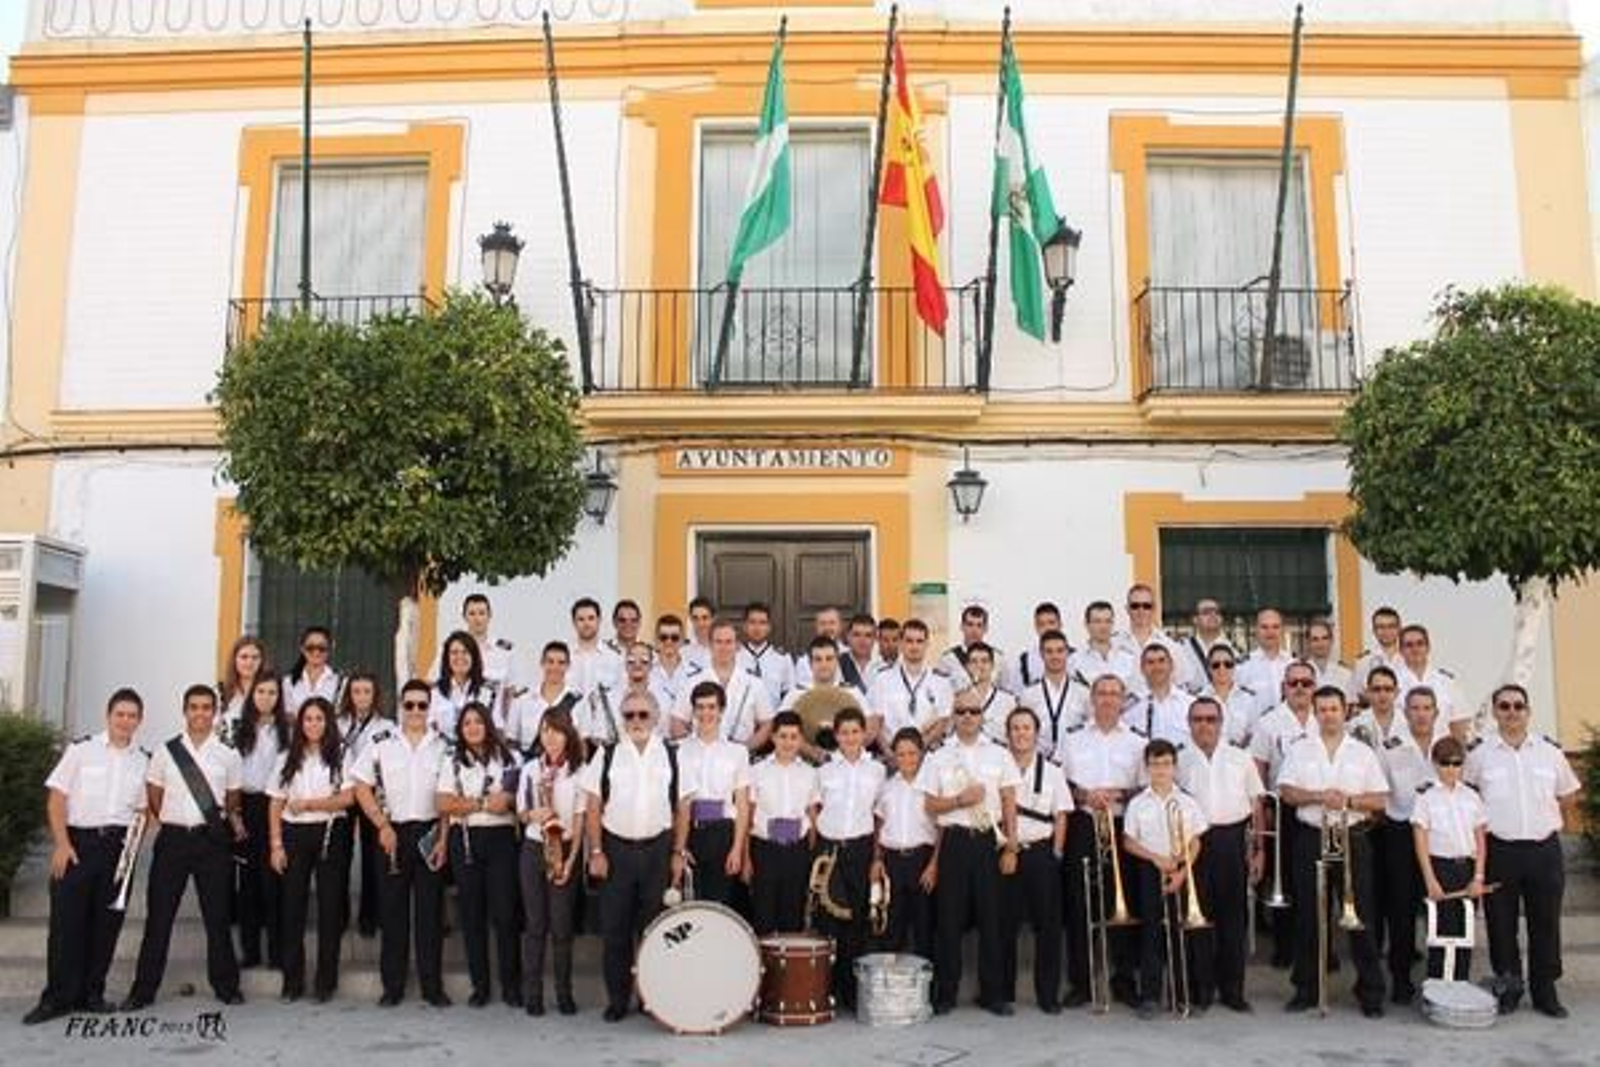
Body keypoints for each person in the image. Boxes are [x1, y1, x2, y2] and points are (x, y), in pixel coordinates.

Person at [24, 689, 151, 1025]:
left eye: (132, 715)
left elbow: (142, 811)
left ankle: (92, 994)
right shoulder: (81, 751)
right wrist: (62, 845)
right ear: (108, 716)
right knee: (66, 925)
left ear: (140, 720)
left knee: (106, 925)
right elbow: (56, 799)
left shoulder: (143, 759)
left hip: (119, 849)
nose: (125, 721)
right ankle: (56, 998)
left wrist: (132, 853)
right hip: (78, 845)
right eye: (120, 714)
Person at [123, 684, 245, 1010]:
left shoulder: (228, 754)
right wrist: (175, 820)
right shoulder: (166, 751)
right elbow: (155, 794)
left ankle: (226, 986)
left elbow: (232, 800)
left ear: (215, 712)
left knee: (217, 918)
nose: (200, 713)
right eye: (194, 707)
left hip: (212, 842)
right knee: (159, 919)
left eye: (207, 707)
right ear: (185, 711)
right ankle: (143, 990)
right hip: (174, 841)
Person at [1466, 684, 1581, 1017]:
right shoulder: (1480, 755)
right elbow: (1469, 797)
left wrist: (1546, 814)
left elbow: (1569, 792)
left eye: (1518, 706)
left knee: (1545, 923)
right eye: (1504, 706)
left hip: (1543, 850)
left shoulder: (1550, 752)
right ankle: (1509, 988)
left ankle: (1545, 991)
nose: (1512, 712)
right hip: (1500, 850)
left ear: (1528, 711)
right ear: (1495, 712)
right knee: (1501, 924)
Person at [1278, 685, 1389, 1016]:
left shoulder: (1363, 753)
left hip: (1352, 836)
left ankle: (1370, 992)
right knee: (1309, 917)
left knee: (1360, 916)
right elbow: (1286, 791)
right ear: (1315, 713)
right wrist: (1318, 796)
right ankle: (1307, 989)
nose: (1328, 715)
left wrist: (1350, 801)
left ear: (1346, 712)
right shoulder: (1300, 750)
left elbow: (1380, 799)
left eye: (1334, 709)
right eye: (1322, 709)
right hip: (1312, 836)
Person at [581, 690, 688, 1023]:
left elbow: (683, 807)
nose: (636, 721)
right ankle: (618, 999)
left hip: (658, 850)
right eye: (629, 715)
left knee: (654, 931)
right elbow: (593, 806)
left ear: (656, 717)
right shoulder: (607, 754)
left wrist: (678, 852)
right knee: (614, 930)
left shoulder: (672, 754)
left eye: (643, 715)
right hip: (616, 851)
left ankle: (650, 996)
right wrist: (596, 851)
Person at [917, 690, 1021, 1016]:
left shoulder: (1000, 755)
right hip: (955, 843)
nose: (967, 717)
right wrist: (959, 801)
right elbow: (930, 805)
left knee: (993, 920)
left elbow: (1008, 803)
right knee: (948, 921)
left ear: (982, 715)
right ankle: (945, 993)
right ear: (953, 714)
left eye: (973, 711)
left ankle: (993, 994)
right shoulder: (938, 757)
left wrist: (1012, 847)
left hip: (989, 841)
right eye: (961, 711)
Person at [350, 678, 451, 1008]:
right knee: (392, 913)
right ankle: (391, 986)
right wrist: (380, 823)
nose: (416, 711)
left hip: (428, 834)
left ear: (430, 707)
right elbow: (360, 785)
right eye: (410, 704)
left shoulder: (443, 746)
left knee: (429, 915)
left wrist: (443, 838)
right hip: (391, 833)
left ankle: (431, 987)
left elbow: (448, 797)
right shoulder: (382, 741)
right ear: (401, 707)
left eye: (422, 705)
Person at [1060, 674, 1146, 1007]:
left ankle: (1124, 979)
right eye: (1102, 693)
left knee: (1122, 903)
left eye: (1114, 694)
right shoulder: (1072, 740)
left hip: (1122, 824)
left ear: (1123, 700)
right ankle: (1081, 982)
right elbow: (1060, 782)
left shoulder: (1137, 742)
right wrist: (1082, 794)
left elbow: (1145, 786)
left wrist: (1120, 793)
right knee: (1080, 902)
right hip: (1084, 824)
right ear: (1092, 699)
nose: (1108, 699)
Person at [1177, 696, 1265, 1013]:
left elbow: (1256, 806)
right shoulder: (1180, 760)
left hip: (1232, 840)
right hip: (1195, 842)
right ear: (1189, 724)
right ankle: (1201, 989)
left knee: (1233, 919)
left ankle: (1233, 991)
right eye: (1198, 719)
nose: (1204, 725)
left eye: (1210, 719)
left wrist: (1258, 850)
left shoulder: (1241, 758)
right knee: (1197, 916)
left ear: (1221, 723)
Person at [268, 696, 353, 1003]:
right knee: (292, 906)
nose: (313, 724)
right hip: (293, 833)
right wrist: (275, 844)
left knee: (330, 908)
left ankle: (325, 982)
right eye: (308, 719)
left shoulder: (342, 754)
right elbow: (276, 801)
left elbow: (348, 798)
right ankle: (293, 982)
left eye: (319, 719)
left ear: (328, 722)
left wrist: (310, 804)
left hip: (331, 831)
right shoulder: (285, 757)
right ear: (300, 723)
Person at [437, 702, 522, 1008]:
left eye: (477, 721)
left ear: (488, 724)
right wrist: (484, 803)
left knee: (505, 914)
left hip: (501, 839)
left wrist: (488, 802)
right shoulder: (452, 760)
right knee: (472, 916)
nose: (472, 727)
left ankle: (511, 985)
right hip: (466, 839)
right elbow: (444, 803)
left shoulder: (509, 757)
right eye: (466, 723)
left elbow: (513, 798)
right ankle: (480, 986)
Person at [1368, 685, 1444, 1003]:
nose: (1421, 714)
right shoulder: (1391, 748)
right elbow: (1380, 791)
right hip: (1400, 832)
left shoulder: (1450, 747)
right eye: (1415, 708)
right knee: (1400, 908)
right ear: (1406, 711)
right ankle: (1400, 979)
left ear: (1436, 713)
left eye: (1427, 708)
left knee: (1441, 908)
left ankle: (1442, 978)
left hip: (1441, 837)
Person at [1122, 739, 1208, 1017]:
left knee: (1181, 933)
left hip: (1181, 871)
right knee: (1150, 933)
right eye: (1155, 764)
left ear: (1175, 766)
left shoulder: (1186, 801)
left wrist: (1183, 872)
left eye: (1166, 764)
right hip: (1149, 870)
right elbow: (1128, 842)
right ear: (1147, 767)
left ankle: (1183, 996)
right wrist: (1155, 858)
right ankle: (1150, 996)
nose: (1160, 769)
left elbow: (1196, 842)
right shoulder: (1137, 803)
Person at [515, 706, 586, 1016]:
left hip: (566, 846)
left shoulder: (579, 770)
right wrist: (533, 814)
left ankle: (564, 994)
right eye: (545, 730)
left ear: (567, 733)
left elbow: (581, 820)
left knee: (561, 926)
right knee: (535, 925)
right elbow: (519, 811)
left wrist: (571, 861)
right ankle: (533, 994)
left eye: (556, 730)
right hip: (534, 847)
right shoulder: (530, 768)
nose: (550, 737)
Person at [1249, 658, 1320, 970]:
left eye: (1306, 683)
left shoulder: (1327, 717)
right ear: (1284, 687)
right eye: (1294, 683)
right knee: (1284, 879)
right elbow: (1259, 771)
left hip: (1321, 810)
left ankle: (1321, 949)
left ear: (1314, 688)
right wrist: (1262, 812)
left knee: (1320, 882)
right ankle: (1285, 947)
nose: (1300, 688)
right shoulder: (1269, 723)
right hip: (1283, 810)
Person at [1001, 706, 1071, 1014]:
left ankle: (1048, 995)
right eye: (1015, 728)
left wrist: (1055, 852)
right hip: (1008, 852)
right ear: (1008, 734)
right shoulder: (998, 768)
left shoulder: (1053, 771)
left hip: (1042, 852)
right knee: (1004, 925)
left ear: (1036, 732)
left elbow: (1062, 815)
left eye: (1026, 728)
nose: (1020, 733)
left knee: (1049, 927)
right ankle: (1003, 992)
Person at [815, 706, 886, 1009]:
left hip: (860, 848)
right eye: (844, 732)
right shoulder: (825, 771)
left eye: (855, 731)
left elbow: (880, 816)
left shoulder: (878, 771)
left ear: (864, 735)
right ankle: (828, 990)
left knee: (858, 922)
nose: (850, 737)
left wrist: (877, 857)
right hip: (830, 849)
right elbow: (815, 809)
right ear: (836, 736)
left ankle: (852, 993)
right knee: (828, 922)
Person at [223, 672, 289, 971]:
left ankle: (277, 952)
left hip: (277, 806)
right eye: (261, 691)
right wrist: (234, 815)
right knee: (248, 883)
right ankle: (250, 952)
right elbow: (229, 775)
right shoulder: (238, 729)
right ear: (253, 696)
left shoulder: (287, 729)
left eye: (272, 692)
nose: (266, 697)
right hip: (246, 806)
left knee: (274, 882)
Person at [1412, 736, 1488, 982]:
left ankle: (1460, 983)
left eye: (1456, 764)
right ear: (1435, 764)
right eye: (1445, 763)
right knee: (1441, 931)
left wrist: (1478, 876)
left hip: (1466, 867)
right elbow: (1420, 840)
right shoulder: (1426, 796)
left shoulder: (1472, 796)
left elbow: (1480, 839)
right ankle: (1437, 985)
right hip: (1439, 867)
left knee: (1465, 929)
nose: (1451, 769)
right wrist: (1430, 880)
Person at [672, 680, 751, 909]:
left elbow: (743, 804)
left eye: (711, 707)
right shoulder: (679, 749)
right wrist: (680, 845)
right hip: (690, 831)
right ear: (693, 711)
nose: (706, 713)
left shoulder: (737, 752)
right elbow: (676, 802)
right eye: (700, 707)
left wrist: (737, 849)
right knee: (690, 902)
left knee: (719, 904)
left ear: (721, 710)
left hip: (722, 833)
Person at [745, 711, 821, 935]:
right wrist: (747, 858)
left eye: (794, 736)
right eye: (783, 736)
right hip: (765, 850)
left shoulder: (810, 773)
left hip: (796, 851)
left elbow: (813, 815)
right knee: (763, 916)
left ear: (800, 740)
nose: (788, 742)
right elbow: (748, 815)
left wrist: (811, 855)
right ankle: (765, 969)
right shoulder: (757, 771)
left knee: (793, 917)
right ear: (773, 738)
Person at [872, 728, 938, 959]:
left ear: (921, 753)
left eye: (912, 753)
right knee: (892, 925)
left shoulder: (931, 786)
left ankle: (927, 990)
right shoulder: (888, 786)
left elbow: (942, 829)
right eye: (901, 754)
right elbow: (879, 826)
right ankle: (889, 988)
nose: (907, 759)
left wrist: (933, 865)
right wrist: (878, 859)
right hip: (892, 861)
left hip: (921, 860)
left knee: (924, 927)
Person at [336, 672, 387, 939]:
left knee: (372, 856)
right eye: (356, 691)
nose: (361, 697)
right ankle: (339, 915)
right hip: (344, 793)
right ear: (349, 695)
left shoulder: (386, 726)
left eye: (367, 691)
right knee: (340, 857)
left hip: (371, 795)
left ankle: (370, 915)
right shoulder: (338, 723)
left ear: (375, 694)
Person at [670, 619, 772, 750]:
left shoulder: (754, 683)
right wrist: (693, 749)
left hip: (740, 759)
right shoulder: (693, 682)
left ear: (737, 646)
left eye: (729, 642)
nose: (724, 647)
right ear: (710, 645)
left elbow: (768, 723)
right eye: (718, 642)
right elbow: (677, 721)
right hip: (701, 761)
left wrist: (745, 750)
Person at [870, 619, 954, 749]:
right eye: (909, 641)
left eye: (919, 641)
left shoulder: (941, 681)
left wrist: (918, 750)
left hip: (929, 754)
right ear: (901, 643)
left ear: (927, 644)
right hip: (893, 755)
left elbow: (943, 721)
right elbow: (876, 722)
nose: (914, 646)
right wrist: (889, 753)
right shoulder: (882, 679)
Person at [1017, 629, 1089, 759]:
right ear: (1041, 654)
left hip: (1076, 759)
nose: (1055, 656)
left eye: (1060, 651)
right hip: (1038, 759)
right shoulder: (1028, 694)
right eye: (1049, 651)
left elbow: (1090, 729)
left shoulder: (1083, 692)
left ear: (1067, 653)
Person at [504, 641, 583, 755]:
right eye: (550, 662)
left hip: (564, 767)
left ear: (568, 666)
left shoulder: (578, 702)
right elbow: (511, 740)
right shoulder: (522, 699)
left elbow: (581, 744)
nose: (555, 667)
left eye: (561, 663)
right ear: (542, 663)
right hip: (528, 767)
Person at [1395, 625, 1466, 739]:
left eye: (1420, 643)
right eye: (1409, 645)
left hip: (1441, 750)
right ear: (1400, 651)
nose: (1415, 649)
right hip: (1403, 751)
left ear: (1428, 647)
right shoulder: (1390, 683)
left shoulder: (1446, 681)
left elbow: (1459, 723)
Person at [1112, 585, 1184, 693]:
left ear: (1154, 608)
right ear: (1127, 609)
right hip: (1125, 708)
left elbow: (1181, 683)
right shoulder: (1114, 644)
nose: (1141, 610)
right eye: (1135, 606)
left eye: (1146, 606)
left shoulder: (1170, 645)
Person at [429, 630, 498, 738]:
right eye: (454, 652)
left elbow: (496, 728)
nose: (460, 657)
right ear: (447, 658)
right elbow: (429, 728)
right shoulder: (434, 692)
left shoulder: (489, 691)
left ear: (474, 657)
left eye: (465, 652)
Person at [1124, 644, 1194, 747]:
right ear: (1142, 669)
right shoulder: (1129, 707)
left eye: (1162, 661)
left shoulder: (1190, 705)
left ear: (1171, 665)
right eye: (1150, 662)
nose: (1157, 667)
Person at [462, 593, 517, 709]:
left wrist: (507, 725)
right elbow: (433, 684)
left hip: (494, 724)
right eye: (472, 613)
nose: (477, 619)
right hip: (460, 723)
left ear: (489, 615)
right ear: (464, 616)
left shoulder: (505, 651)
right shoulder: (451, 649)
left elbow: (510, 692)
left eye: (482, 613)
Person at [1200, 644, 1260, 748]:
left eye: (1227, 664)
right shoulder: (1198, 699)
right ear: (1208, 668)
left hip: (1240, 758)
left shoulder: (1249, 699)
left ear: (1234, 667)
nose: (1222, 669)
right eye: (1216, 665)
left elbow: (1255, 734)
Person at [737, 601, 795, 707]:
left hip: (773, 719)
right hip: (743, 721)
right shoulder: (735, 657)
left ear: (769, 627)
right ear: (745, 626)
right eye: (752, 622)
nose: (757, 628)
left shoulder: (783, 659)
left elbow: (789, 696)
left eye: (762, 623)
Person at [1069, 601, 1136, 690]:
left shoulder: (1129, 660)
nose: (1103, 626)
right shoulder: (1074, 661)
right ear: (1086, 624)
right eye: (1097, 621)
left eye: (1108, 621)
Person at [1236, 609, 1293, 710]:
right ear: (1256, 630)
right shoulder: (1243, 666)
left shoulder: (1293, 664)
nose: (1270, 632)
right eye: (1264, 627)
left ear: (1283, 630)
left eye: (1275, 627)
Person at [939, 604, 1004, 692]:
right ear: (962, 627)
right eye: (970, 624)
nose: (974, 630)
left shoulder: (997, 657)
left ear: (986, 628)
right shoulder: (948, 658)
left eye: (979, 625)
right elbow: (940, 691)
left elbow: (1004, 690)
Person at [569, 597, 624, 701]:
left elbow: (621, 694)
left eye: (591, 618)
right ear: (574, 622)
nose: (586, 624)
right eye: (581, 619)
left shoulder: (614, 657)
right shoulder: (564, 657)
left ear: (599, 620)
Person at [963, 642, 1017, 745]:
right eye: (974, 661)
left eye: (984, 661)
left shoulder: (1008, 700)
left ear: (992, 665)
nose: (979, 666)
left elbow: (1013, 734)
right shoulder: (960, 699)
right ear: (968, 667)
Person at [648, 614, 702, 713]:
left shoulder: (696, 673)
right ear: (656, 639)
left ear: (682, 640)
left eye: (675, 637)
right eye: (663, 637)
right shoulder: (646, 671)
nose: (669, 642)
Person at [1177, 599, 1230, 695]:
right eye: (1206, 612)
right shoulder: (1181, 650)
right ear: (1195, 619)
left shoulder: (1234, 652)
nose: (1213, 615)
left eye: (1217, 612)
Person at [284, 626, 340, 715]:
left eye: (322, 648)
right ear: (302, 649)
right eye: (310, 648)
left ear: (330, 648)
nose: (316, 652)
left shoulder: (340, 682)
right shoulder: (288, 682)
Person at [1352, 606, 1404, 702]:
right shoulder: (1363, 661)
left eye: (1391, 626)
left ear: (1399, 628)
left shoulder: (1409, 658)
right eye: (1381, 627)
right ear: (1374, 630)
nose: (1386, 631)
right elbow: (1357, 694)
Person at [1011, 601, 1063, 693]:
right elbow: (1018, 694)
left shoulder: (1075, 657)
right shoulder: (1024, 660)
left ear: (1060, 624)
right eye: (1042, 624)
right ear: (1036, 627)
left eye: (1051, 623)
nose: (1047, 628)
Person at [792, 606, 845, 688]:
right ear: (816, 627)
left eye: (832, 623)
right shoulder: (804, 662)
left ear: (840, 626)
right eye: (823, 623)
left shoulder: (849, 656)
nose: (827, 628)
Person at [1304, 619, 1354, 704]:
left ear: (1331, 641)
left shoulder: (1345, 673)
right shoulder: (1300, 673)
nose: (1320, 643)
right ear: (1308, 643)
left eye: (1325, 638)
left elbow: (1351, 704)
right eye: (1315, 639)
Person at [219, 635, 267, 720]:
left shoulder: (270, 691)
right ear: (234, 659)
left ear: (261, 661)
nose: (249, 662)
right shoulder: (220, 691)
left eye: (255, 657)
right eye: (244, 657)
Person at [838, 612, 883, 696]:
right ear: (848, 637)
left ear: (875, 638)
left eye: (868, 635)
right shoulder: (838, 664)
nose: (862, 640)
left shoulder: (884, 666)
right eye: (857, 635)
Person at [684, 596, 717, 671]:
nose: (700, 623)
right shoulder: (683, 651)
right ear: (690, 619)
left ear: (713, 619)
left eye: (705, 618)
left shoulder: (724, 648)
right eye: (695, 618)